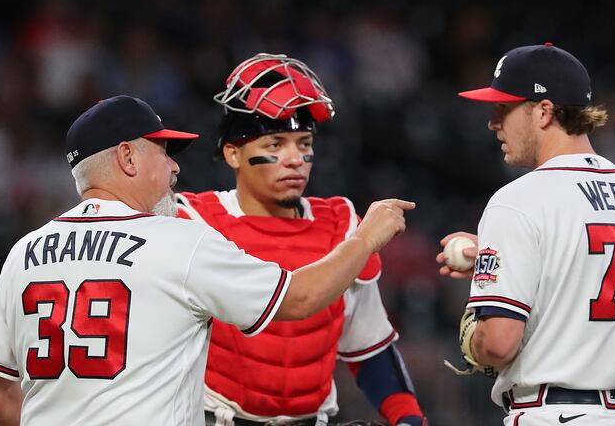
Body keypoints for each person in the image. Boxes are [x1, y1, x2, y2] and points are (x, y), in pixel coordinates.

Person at [0, 95, 415, 426]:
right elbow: (298, 300)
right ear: (126, 156)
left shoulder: (27, 250)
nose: (175, 168)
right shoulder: (178, 241)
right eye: (163, 152)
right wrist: (366, 238)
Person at [175, 54, 427, 426]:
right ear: (232, 153)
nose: (296, 159)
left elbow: (369, 346)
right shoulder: (192, 222)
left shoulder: (342, 224)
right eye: (275, 144)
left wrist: (408, 418)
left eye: (304, 142)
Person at [438, 43, 615, 426]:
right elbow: (596, 284)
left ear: (543, 111)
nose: (493, 122)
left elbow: (498, 343)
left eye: (504, 108)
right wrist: (507, 261)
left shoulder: (516, 200)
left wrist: (474, 338)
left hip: (551, 414)